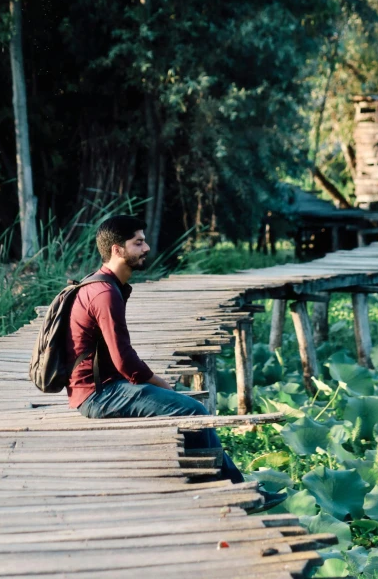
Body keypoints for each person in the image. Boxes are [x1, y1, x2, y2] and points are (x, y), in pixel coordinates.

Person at [66, 215, 285, 504]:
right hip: (99, 395)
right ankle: (232, 494)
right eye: (138, 242)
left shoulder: (100, 285)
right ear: (117, 250)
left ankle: (226, 487)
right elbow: (125, 362)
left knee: (189, 408)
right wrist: (162, 384)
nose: (146, 248)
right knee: (193, 410)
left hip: (100, 387)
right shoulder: (105, 293)